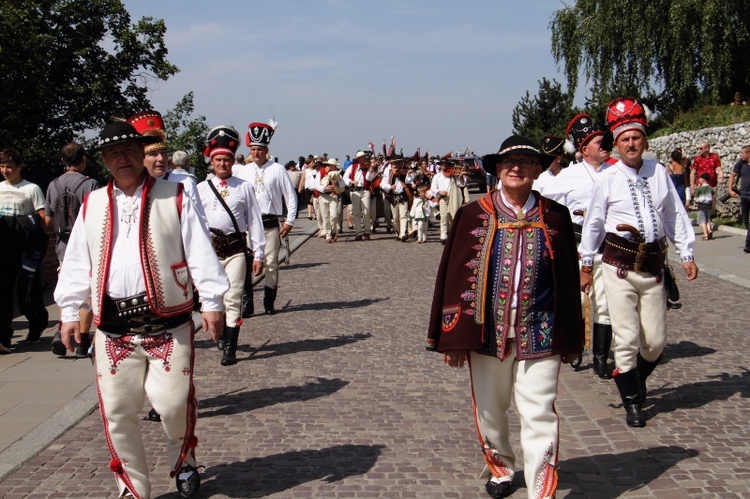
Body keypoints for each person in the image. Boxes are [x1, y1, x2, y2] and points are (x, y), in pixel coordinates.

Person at [53, 120, 230, 498]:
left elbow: (198, 248)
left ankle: (183, 460)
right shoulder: (93, 202)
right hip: (113, 326)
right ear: (103, 161)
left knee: (172, 402)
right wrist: (70, 310)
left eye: (129, 152)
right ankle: (131, 486)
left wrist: (212, 301)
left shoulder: (175, 195)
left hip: (168, 321)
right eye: (113, 154)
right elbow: (76, 261)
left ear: (142, 154)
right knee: (117, 410)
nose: (122, 159)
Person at [427, 135, 583, 499]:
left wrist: (572, 338)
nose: (517, 168)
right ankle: (500, 466)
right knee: (491, 411)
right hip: (486, 334)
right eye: (509, 162)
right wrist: (453, 338)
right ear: (497, 170)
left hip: (540, 332)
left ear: (537, 170)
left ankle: (541, 490)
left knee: (539, 412)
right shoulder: (472, 214)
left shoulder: (555, 215)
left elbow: (568, 282)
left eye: (527, 162)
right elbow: (454, 277)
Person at [580, 97, 698, 428]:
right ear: (615, 145)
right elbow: (594, 222)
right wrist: (586, 264)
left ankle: (635, 379)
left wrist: (686, 253)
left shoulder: (658, 171)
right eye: (624, 139)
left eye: (636, 138)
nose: (631, 144)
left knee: (656, 341)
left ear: (643, 140)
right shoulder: (607, 177)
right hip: (618, 267)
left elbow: (673, 214)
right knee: (627, 338)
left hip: (653, 268)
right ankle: (632, 402)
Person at [539, 113, 615, 379]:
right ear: (584, 148)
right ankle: (576, 346)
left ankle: (602, 356)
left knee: (604, 303)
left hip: (608, 248)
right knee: (579, 300)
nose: (605, 144)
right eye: (598, 141)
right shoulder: (568, 176)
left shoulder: (616, 172)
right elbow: (539, 197)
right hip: (577, 245)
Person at [197, 125, 265, 365]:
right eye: (218, 160)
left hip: (236, 249)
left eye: (226, 159)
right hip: (211, 252)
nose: (223, 164)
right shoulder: (201, 189)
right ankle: (224, 333)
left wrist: (259, 254)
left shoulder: (244, 187)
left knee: (233, 297)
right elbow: (195, 226)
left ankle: (230, 349)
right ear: (212, 162)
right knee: (216, 296)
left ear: (231, 162)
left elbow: (255, 222)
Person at [232, 121, 296, 316]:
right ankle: (248, 303)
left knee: (270, 264)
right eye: (253, 149)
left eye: (259, 149)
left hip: (269, 224)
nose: (256, 152)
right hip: (248, 226)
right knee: (245, 264)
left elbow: (290, 195)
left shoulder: (277, 169)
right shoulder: (243, 170)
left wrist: (290, 220)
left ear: (266, 149)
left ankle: (269, 302)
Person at [45, 142, 100, 358]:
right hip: (86, 244)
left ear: (62, 161)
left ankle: (63, 330)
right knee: (87, 293)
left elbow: (48, 218)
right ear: (83, 159)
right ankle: (81, 341)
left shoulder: (53, 185)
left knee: (66, 285)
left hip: (62, 245)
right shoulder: (90, 184)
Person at [0, 148, 49, 353]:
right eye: (2, 166)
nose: (5, 170)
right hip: (3, 245)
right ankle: (3, 337)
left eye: (9, 166)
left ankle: (37, 325)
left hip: (25, 248)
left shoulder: (31, 189)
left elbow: (44, 219)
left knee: (28, 292)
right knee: (2, 292)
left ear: (19, 167)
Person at [430, 158, 467, 244]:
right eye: (442, 164)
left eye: (446, 164)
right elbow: (433, 188)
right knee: (444, 217)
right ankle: (443, 235)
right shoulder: (437, 176)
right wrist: (439, 191)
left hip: (453, 197)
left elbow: (461, 184)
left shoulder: (453, 175)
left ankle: (452, 234)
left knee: (452, 217)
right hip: (443, 198)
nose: (444, 165)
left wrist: (461, 176)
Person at [343, 150, 376, 241]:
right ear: (358, 159)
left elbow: (369, 178)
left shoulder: (368, 167)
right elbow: (345, 177)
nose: (363, 159)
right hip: (354, 191)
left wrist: (371, 169)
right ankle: (358, 232)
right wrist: (351, 182)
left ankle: (367, 231)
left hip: (365, 191)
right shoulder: (352, 167)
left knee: (366, 212)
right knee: (356, 213)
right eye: (361, 157)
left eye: (364, 157)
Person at [314, 157, 346, 242]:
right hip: (323, 196)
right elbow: (316, 185)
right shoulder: (321, 172)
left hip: (333, 196)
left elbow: (343, 184)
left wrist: (338, 182)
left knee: (334, 215)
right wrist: (325, 188)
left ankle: (333, 231)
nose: (334, 167)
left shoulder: (338, 174)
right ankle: (328, 235)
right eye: (332, 165)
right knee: (325, 217)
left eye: (334, 166)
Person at [728, 145, 750, 252]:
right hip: (744, 195)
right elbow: (732, 175)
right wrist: (730, 190)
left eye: (742, 153)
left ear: (748, 154)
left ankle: (748, 244)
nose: (741, 155)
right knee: (745, 219)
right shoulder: (741, 163)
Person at [695, 173, 715, 240]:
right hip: (709, 206)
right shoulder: (711, 189)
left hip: (701, 206)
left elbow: (696, 197)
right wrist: (713, 206)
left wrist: (695, 199)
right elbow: (713, 197)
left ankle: (706, 235)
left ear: (703, 180)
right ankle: (709, 229)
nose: (699, 179)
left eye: (700, 178)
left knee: (703, 221)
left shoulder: (699, 189)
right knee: (707, 219)